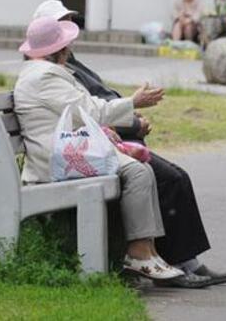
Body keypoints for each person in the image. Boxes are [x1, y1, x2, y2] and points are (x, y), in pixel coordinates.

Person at [32, 0, 226, 288]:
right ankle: (178, 262)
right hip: (93, 145)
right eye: (62, 24)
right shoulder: (52, 72)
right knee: (169, 178)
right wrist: (134, 118)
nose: (70, 30)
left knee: (168, 176)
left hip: (100, 140)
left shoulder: (66, 64)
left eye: (70, 22)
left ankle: (177, 260)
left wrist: (132, 117)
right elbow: (89, 111)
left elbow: (94, 105)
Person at [13, 17, 186, 281]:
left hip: (67, 152)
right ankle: (139, 253)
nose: (69, 50)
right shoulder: (44, 77)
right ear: (59, 50)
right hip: (59, 161)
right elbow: (90, 110)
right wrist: (133, 102)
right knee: (139, 173)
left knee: (141, 170)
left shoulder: (41, 74)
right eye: (66, 46)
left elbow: (81, 109)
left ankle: (148, 252)